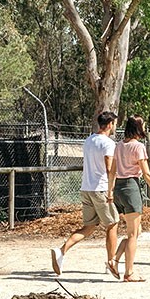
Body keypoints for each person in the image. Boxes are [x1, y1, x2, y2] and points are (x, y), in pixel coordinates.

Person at [50, 111, 119, 276]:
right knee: (112, 224)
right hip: (101, 188)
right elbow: (109, 168)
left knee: (89, 227)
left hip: (86, 188)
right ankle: (112, 262)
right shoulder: (108, 143)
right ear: (110, 124)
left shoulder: (88, 140)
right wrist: (111, 189)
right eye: (114, 123)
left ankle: (61, 251)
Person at [110, 115, 150, 282]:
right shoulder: (138, 146)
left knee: (135, 231)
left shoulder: (119, 145)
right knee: (133, 234)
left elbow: (112, 171)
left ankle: (114, 260)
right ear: (138, 127)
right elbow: (147, 174)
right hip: (131, 187)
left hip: (118, 189)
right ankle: (129, 273)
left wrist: (110, 192)